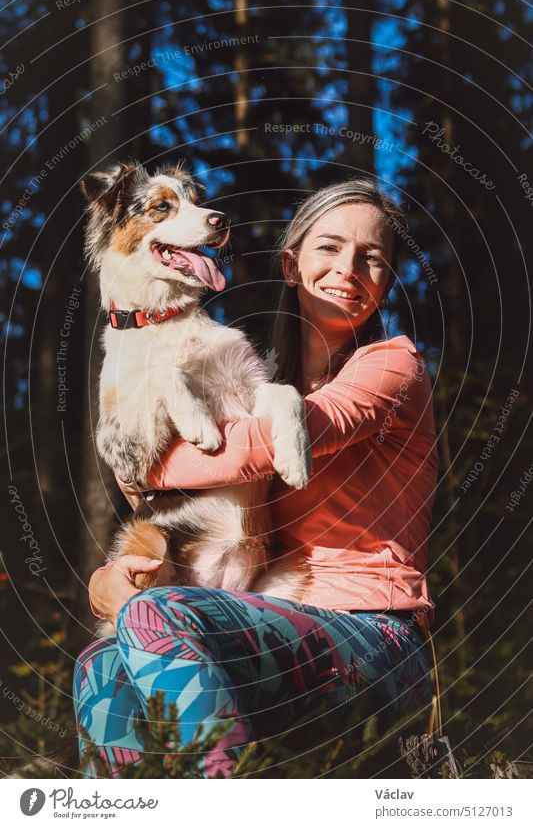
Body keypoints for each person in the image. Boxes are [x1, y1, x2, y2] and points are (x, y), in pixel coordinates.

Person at [73, 178, 438, 779]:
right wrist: (119, 571)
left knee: (157, 616)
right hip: (260, 609)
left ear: (387, 281)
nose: (348, 267)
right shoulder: (264, 370)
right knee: (100, 666)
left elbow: (255, 451)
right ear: (291, 265)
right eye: (329, 247)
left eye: (371, 257)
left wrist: (140, 469)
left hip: (375, 636)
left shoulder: (392, 364)